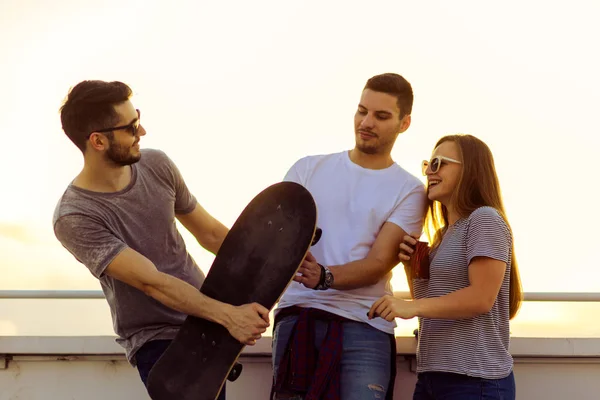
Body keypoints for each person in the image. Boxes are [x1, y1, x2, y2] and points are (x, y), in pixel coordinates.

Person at [52, 80, 270, 399]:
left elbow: (209, 233)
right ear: (97, 141)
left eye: (137, 118)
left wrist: (277, 261)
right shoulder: (75, 216)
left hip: (208, 322)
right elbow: (151, 282)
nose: (142, 132)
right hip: (158, 342)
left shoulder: (156, 164)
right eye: (131, 126)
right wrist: (228, 315)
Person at [270, 73, 427, 400]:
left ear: (404, 123)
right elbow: (274, 239)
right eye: (362, 111)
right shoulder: (307, 169)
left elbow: (380, 262)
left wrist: (324, 276)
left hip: (364, 324)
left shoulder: (410, 189)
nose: (366, 122)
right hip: (298, 316)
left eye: (381, 116)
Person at [368, 134, 523, 400]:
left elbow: (481, 298)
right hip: (432, 378)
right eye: (428, 163)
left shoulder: (485, 219)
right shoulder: (442, 236)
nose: (429, 171)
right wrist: (410, 267)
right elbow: (434, 306)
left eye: (439, 163)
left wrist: (409, 307)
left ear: (470, 170)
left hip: (475, 381)